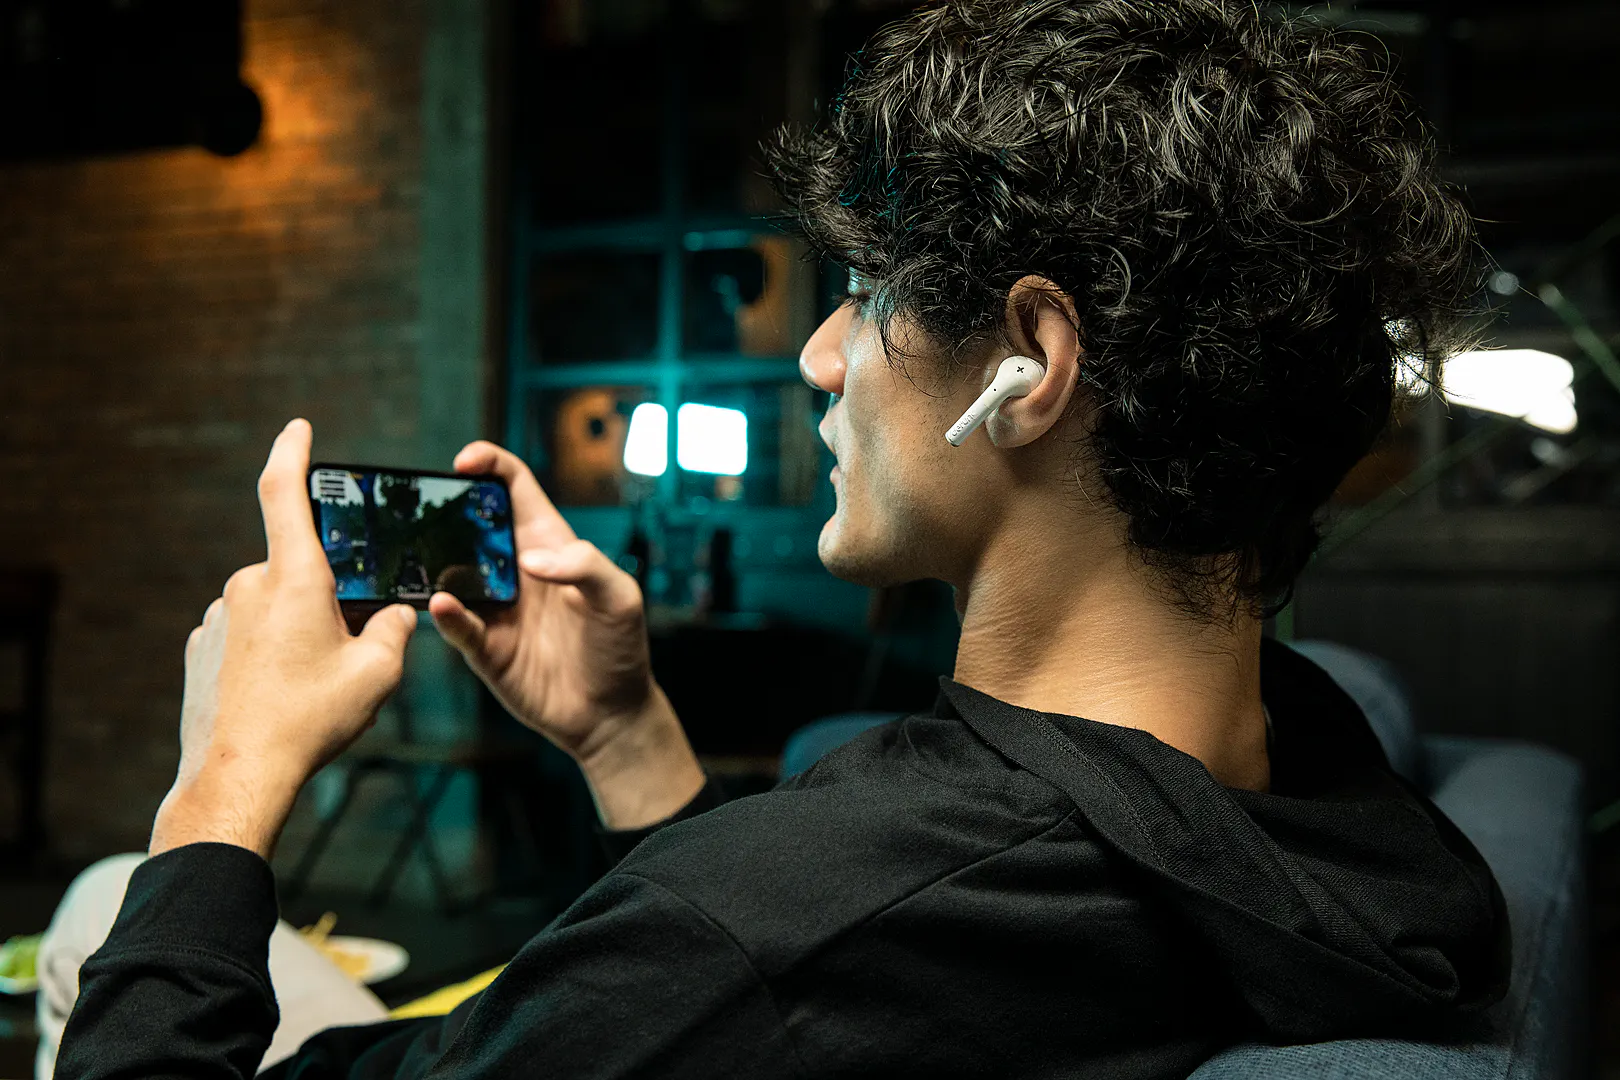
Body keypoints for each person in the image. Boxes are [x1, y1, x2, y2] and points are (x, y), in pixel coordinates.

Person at [50, 1, 1509, 1077]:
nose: (817, 357)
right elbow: (795, 982)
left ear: (1032, 369)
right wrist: (625, 738)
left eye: (866, 292)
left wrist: (222, 787)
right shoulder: (1326, 812)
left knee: (110, 905)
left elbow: (763, 957)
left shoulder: (781, 922)